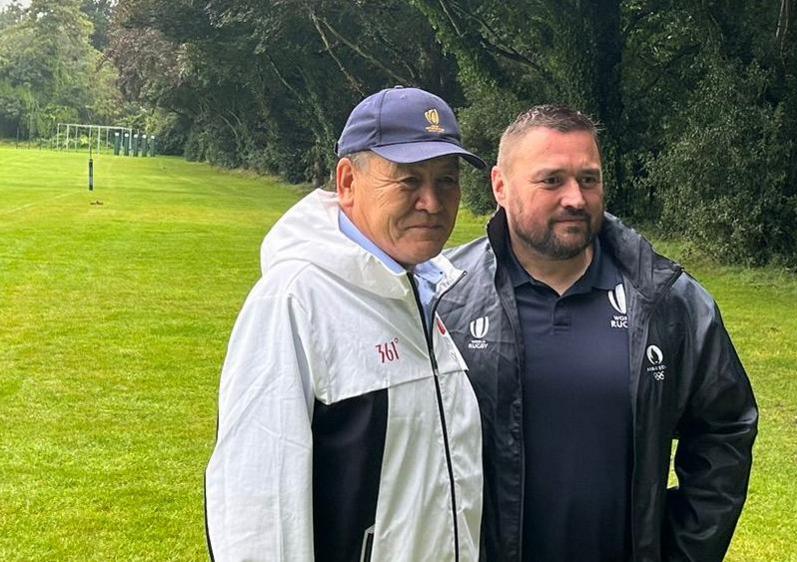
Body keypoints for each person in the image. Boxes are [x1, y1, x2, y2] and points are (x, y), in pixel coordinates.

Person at [438, 105, 758, 562]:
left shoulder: (667, 300)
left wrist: (686, 550)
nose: (576, 198)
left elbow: (725, 427)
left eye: (588, 179)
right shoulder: (445, 294)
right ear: (500, 186)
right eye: (552, 180)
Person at [205, 87, 487, 562]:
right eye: (408, 180)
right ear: (348, 182)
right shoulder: (294, 300)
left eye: (447, 180)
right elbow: (256, 506)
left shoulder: (433, 290)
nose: (433, 203)